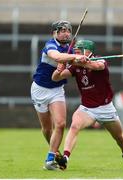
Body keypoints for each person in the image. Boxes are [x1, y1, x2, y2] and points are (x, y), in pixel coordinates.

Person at [52, 40, 123, 170]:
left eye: (79, 51)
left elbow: (96, 66)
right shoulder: (75, 66)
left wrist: (79, 61)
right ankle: (65, 158)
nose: (75, 53)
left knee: (119, 137)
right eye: (75, 51)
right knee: (74, 126)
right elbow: (56, 78)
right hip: (87, 109)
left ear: (88, 51)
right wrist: (60, 67)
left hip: (106, 108)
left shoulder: (101, 61)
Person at [30, 20, 87, 170]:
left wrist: (84, 59)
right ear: (54, 33)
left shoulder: (72, 49)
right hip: (40, 89)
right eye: (62, 30)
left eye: (68, 30)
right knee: (47, 129)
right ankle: (55, 153)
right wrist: (74, 58)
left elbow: (80, 61)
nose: (66, 33)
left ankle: (49, 160)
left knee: (61, 124)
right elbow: (57, 57)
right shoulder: (50, 45)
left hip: (57, 90)